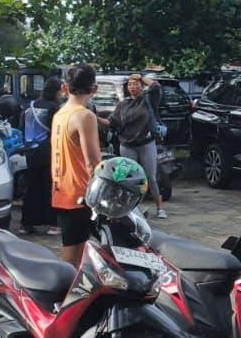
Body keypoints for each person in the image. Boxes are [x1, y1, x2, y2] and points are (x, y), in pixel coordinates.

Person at [51, 65, 104, 266]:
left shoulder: (60, 114)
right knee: (75, 262)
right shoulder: (84, 115)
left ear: (65, 87)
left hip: (61, 191)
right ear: (94, 89)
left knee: (73, 253)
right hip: (80, 194)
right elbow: (93, 162)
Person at [112, 73, 167, 220]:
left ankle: (160, 208)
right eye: (129, 84)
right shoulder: (123, 104)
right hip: (127, 145)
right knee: (127, 178)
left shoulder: (149, 99)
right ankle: (130, 209)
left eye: (135, 84)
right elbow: (112, 122)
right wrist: (94, 117)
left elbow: (155, 87)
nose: (132, 86)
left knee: (150, 177)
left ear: (142, 86)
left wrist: (141, 76)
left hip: (146, 144)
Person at [19, 76, 63, 235]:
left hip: (31, 151)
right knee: (48, 187)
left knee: (31, 187)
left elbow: (21, 127)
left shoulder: (28, 106)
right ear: (57, 91)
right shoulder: (54, 107)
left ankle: (26, 223)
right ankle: (52, 223)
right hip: (48, 151)